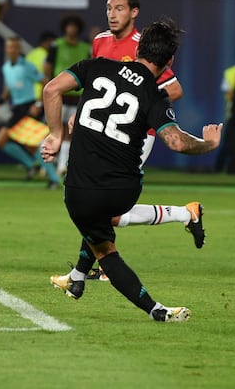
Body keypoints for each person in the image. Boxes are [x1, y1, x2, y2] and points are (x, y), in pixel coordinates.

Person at [42, 17, 221, 321]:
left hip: (76, 191)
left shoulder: (95, 65)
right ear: (170, 61)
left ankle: (136, 300)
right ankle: (82, 279)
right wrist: (208, 144)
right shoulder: (154, 94)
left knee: (105, 250)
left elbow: (51, 90)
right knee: (106, 222)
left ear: (137, 47)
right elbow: (176, 142)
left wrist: (57, 135)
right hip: (120, 190)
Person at [54, 0, 205, 287]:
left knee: (105, 205)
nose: (112, 14)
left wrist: (141, 106)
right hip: (104, 130)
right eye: (109, 8)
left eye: (119, 8)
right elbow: (95, 86)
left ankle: (84, 273)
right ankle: (187, 214)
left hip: (138, 134)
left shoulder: (143, 46)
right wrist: (81, 115)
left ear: (135, 12)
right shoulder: (99, 41)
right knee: (102, 204)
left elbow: (174, 89)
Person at [0, 37, 61, 189]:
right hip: (17, 108)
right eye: (9, 47)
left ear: (19, 50)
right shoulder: (6, 67)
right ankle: (38, 169)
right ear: (6, 49)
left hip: (28, 107)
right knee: (25, 145)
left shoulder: (27, 66)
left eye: (14, 47)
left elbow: (45, 82)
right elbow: (8, 89)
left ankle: (49, 176)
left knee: (8, 140)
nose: (12, 50)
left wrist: (39, 104)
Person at [43, 14, 91, 175]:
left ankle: (63, 166)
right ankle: (51, 164)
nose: (72, 29)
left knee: (70, 132)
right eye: (69, 26)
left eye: (74, 26)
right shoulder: (56, 45)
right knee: (55, 130)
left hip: (78, 97)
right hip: (59, 96)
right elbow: (48, 68)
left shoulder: (86, 48)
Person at [215, 63, 235, 172]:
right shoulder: (232, 72)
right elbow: (229, 93)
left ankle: (230, 169)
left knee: (230, 143)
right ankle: (219, 169)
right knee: (229, 144)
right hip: (233, 115)